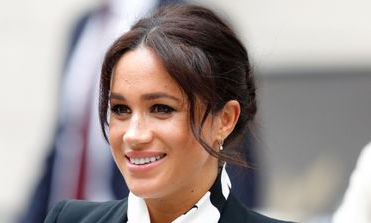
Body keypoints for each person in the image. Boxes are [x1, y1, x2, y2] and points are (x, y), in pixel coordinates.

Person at [45, 4, 292, 223]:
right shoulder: (68, 218)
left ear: (225, 120)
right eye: (121, 109)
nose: (133, 135)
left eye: (161, 109)